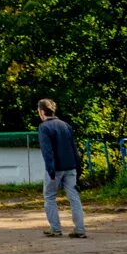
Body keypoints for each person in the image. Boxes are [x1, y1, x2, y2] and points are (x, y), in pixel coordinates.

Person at [37, 98, 86, 238]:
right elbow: (74, 148)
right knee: (74, 197)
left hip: (56, 168)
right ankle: (80, 229)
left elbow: (47, 151)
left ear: (41, 111)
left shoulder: (44, 127)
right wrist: (78, 167)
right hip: (71, 167)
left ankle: (56, 228)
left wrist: (50, 170)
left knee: (50, 197)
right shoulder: (65, 125)